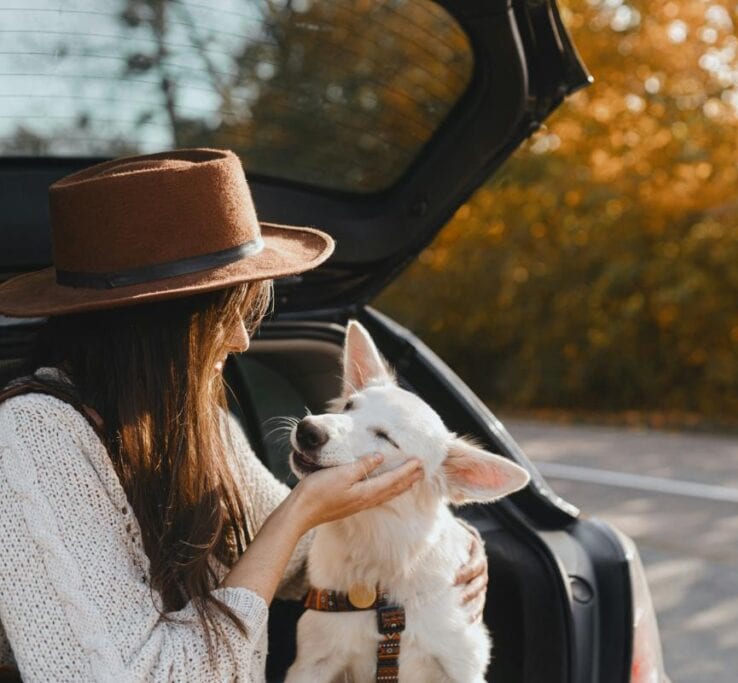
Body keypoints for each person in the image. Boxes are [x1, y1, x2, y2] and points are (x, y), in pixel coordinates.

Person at [0, 148, 488, 681]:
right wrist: (296, 514)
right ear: (153, 324)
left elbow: (304, 556)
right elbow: (136, 674)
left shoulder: (197, 426)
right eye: (224, 315)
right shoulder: (32, 441)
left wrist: (452, 545)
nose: (238, 340)